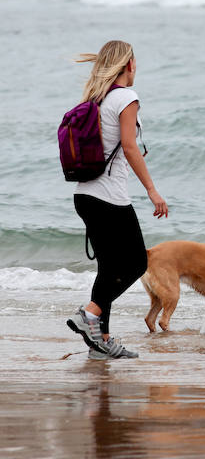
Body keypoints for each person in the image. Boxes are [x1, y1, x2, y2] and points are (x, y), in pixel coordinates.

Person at [66, 40, 168, 359]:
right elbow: (129, 146)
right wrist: (153, 191)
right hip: (108, 197)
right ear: (129, 65)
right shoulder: (126, 97)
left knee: (109, 268)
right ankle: (90, 313)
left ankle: (101, 341)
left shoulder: (97, 99)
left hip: (85, 195)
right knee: (137, 261)